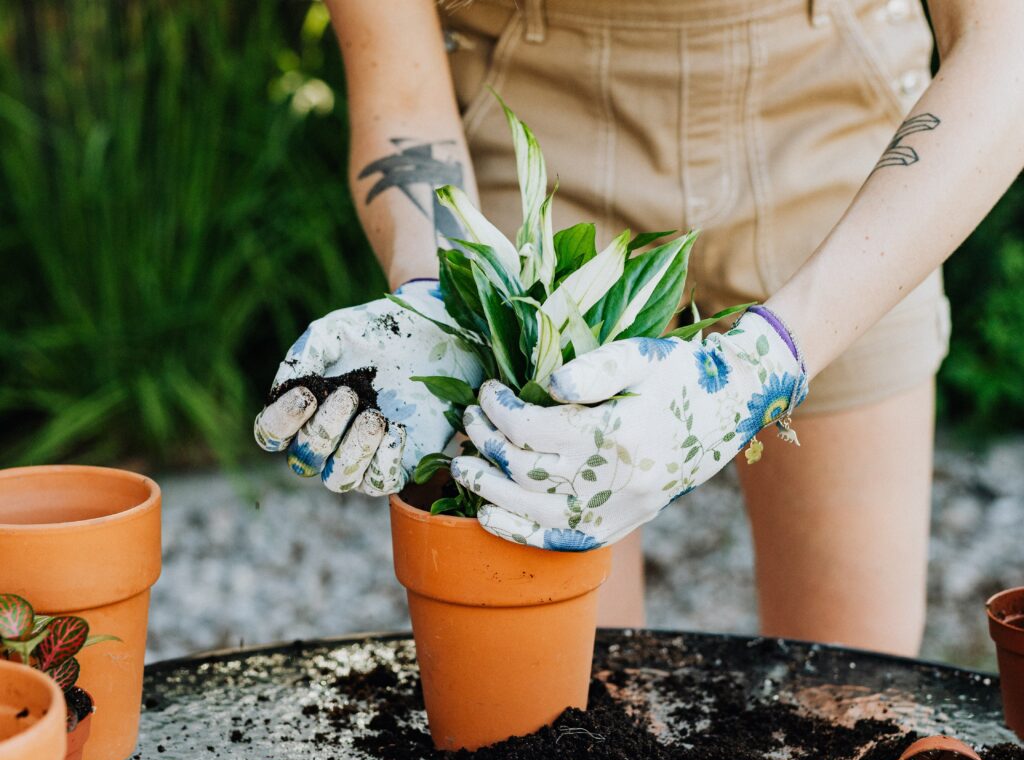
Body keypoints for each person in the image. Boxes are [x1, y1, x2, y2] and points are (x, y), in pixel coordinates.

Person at [254, 0, 1024, 657]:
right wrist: (437, 294)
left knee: (853, 705)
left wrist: (766, 360)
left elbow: (1006, 38)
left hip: (837, 127)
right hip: (536, 130)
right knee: (559, 734)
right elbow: (400, 82)